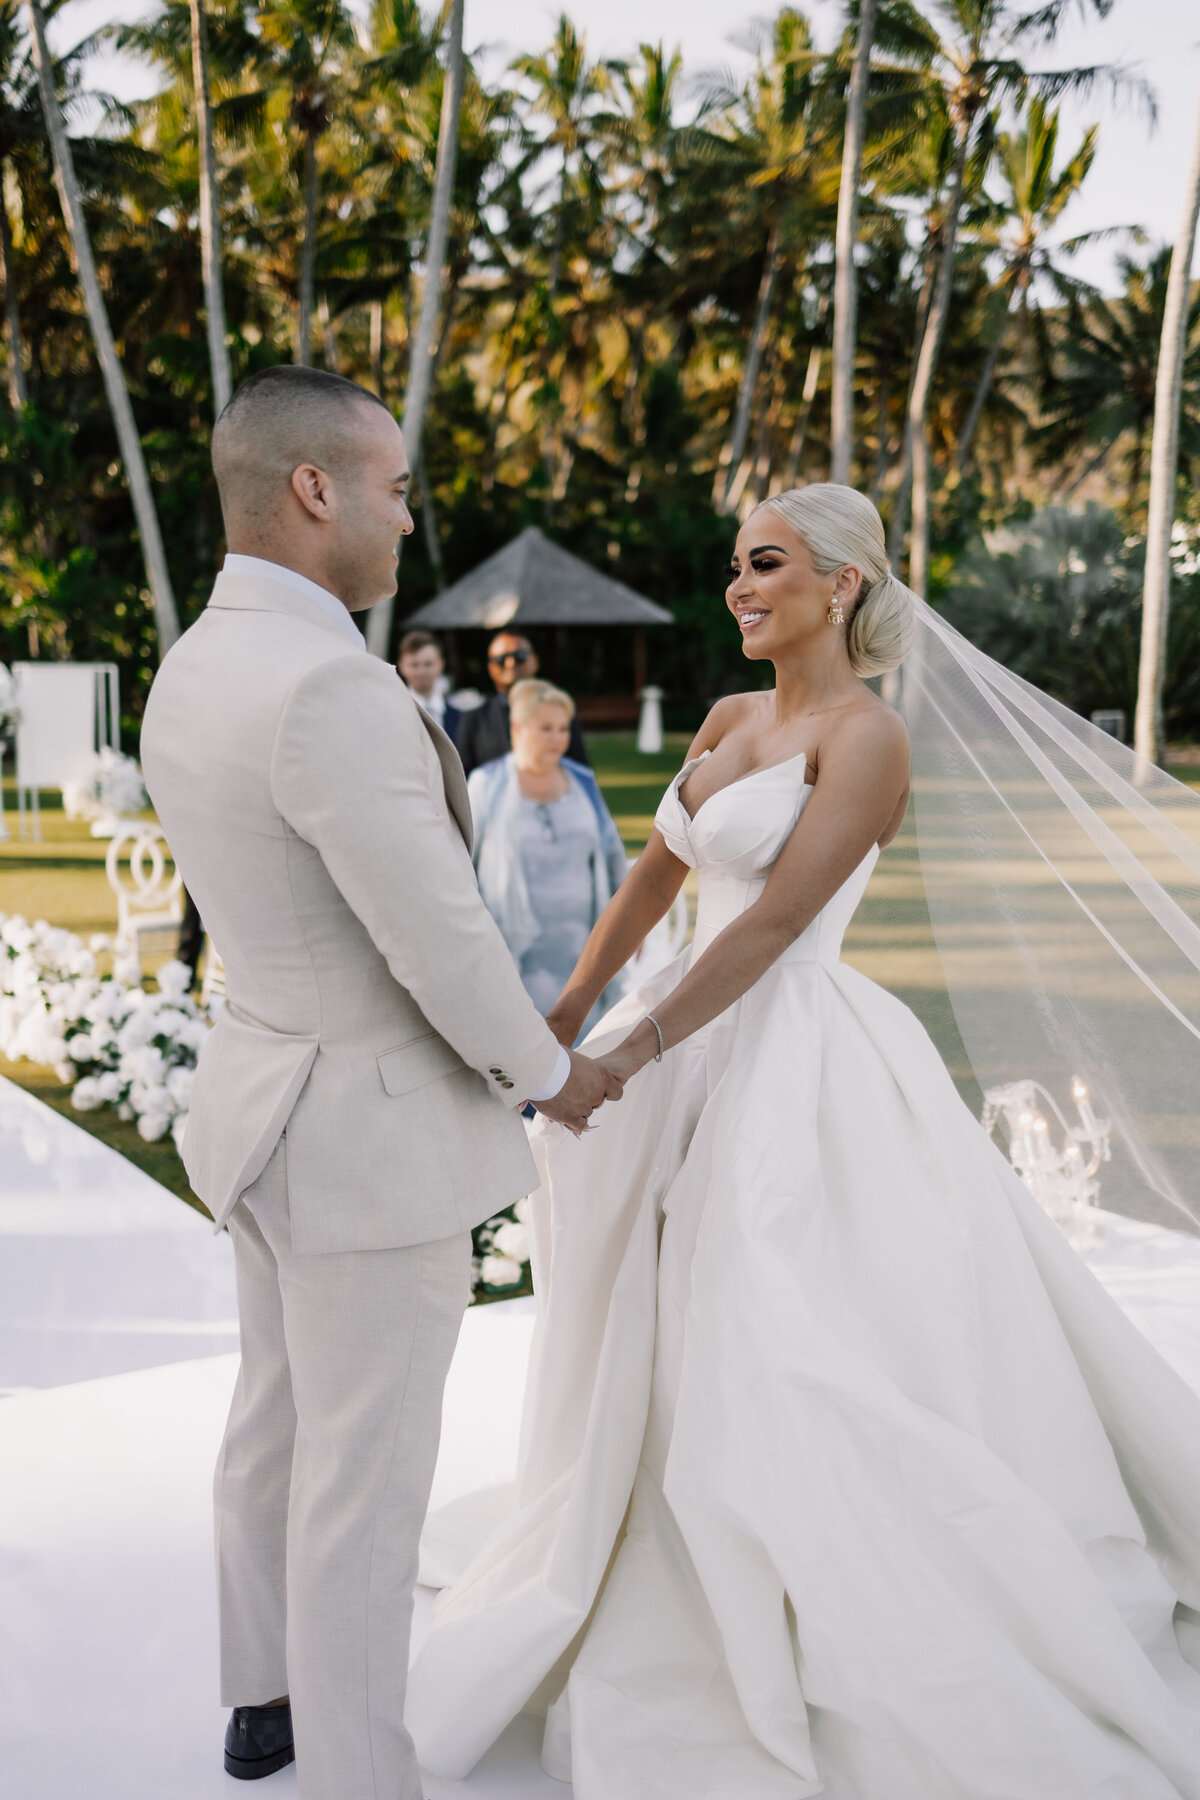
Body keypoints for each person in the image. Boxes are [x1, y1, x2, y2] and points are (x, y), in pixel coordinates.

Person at [407, 484, 1200, 1796]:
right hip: (673, 1028)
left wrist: (629, 1049)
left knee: (771, 1309)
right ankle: (636, 1520)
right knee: (647, 1297)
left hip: (790, 1054)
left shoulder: (867, 738)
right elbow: (653, 883)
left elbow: (772, 925)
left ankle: (791, 1564)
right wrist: (554, 1016)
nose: (738, 585)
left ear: (840, 583)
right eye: (734, 565)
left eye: (764, 562)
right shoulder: (724, 720)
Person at [139, 365, 619, 1800]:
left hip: (260, 1104)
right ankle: (361, 1776)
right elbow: (442, 942)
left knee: (276, 1421)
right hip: (366, 1138)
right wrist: (553, 1074)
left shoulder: (192, 665)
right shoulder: (325, 690)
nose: (410, 521)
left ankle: (261, 1699)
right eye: (398, 488)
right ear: (314, 488)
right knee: (365, 1489)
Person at [467, 678, 628, 1036]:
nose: (558, 738)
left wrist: (630, 922)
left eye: (562, 729)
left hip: (581, 947)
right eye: (546, 729)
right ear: (517, 728)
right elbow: (461, 865)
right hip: (511, 950)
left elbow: (614, 853)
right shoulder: (485, 784)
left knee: (584, 1044)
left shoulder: (583, 780)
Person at [456, 630, 589, 775]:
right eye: (501, 659)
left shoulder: (558, 710)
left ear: (535, 661)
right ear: (490, 668)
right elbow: (462, 776)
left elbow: (579, 768)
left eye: (519, 656)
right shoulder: (474, 718)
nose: (510, 663)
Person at [397, 628, 461, 744]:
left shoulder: (460, 718)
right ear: (402, 666)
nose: (421, 671)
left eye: (428, 664)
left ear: (441, 664)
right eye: (414, 665)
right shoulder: (395, 714)